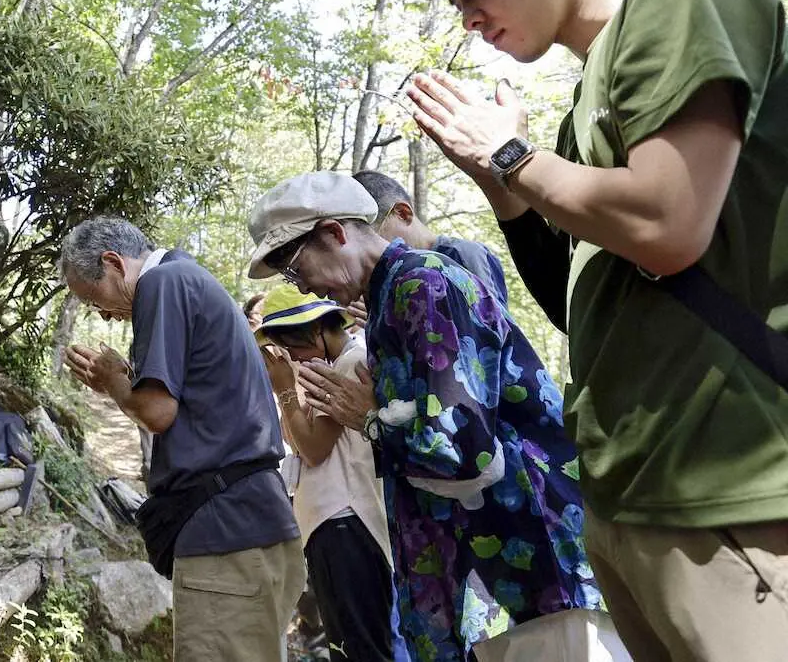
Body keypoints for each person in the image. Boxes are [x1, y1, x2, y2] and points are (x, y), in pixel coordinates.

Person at [404, 0, 788, 661]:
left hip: (729, 493)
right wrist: (502, 180)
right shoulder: (584, 102)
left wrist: (513, 154)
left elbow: (668, 222)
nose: (468, 16)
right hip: (628, 503)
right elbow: (586, 305)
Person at [247, 170, 626, 662]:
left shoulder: (424, 285)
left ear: (335, 234)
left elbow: (465, 450)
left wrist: (370, 419)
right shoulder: (389, 300)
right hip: (484, 572)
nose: (308, 289)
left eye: (297, 272)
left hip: (529, 567)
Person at [59, 217, 305, 662]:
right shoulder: (189, 279)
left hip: (225, 535)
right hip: (258, 523)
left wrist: (112, 382)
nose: (104, 313)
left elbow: (157, 412)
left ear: (113, 263)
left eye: (94, 298)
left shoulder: (161, 283)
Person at [255, 284, 402, 661]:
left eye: (294, 347)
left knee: (360, 645)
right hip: (332, 522)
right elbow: (297, 438)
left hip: (346, 520)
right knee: (348, 641)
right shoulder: (330, 367)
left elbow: (315, 449)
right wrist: (290, 393)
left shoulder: (352, 363)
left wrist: (286, 389)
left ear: (316, 331)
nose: (295, 358)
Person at [353, 169, 509, 306]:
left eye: (377, 240)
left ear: (403, 214)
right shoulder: (385, 279)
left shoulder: (465, 254)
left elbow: (496, 330)